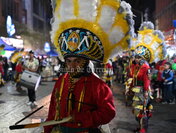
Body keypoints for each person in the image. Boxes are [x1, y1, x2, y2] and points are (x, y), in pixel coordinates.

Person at [44, 0, 135, 132]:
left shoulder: (98, 86)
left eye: (77, 61)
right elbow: (53, 110)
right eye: (69, 61)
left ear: (86, 62)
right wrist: (48, 129)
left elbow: (108, 113)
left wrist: (82, 118)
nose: (72, 65)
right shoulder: (61, 81)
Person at [131, 21, 166, 133]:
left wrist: (146, 92)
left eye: (137, 57)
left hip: (143, 91)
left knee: (143, 110)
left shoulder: (145, 67)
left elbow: (146, 81)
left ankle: (143, 129)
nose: (135, 59)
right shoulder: (137, 66)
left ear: (141, 58)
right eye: (135, 57)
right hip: (137, 91)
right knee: (137, 110)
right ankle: (140, 127)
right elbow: (133, 76)